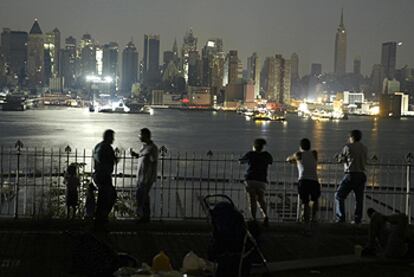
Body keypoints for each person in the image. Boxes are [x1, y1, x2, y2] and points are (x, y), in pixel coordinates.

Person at [335, 129, 368, 224]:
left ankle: (341, 218)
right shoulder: (364, 147)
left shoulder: (348, 147)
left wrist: (338, 157)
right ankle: (358, 219)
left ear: (351, 137)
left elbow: (341, 159)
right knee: (359, 199)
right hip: (361, 174)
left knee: (339, 196)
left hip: (351, 174)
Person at [239, 138, 273, 226]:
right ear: (262, 147)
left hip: (250, 179)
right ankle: (265, 215)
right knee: (261, 199)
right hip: (261, 180)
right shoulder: (266, 155)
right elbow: (270, 161)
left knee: (252, 199)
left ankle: (254, 218)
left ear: (254, 146)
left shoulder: (250, 154)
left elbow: (241, 161)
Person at [286, 138, 320, 223]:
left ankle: (305, 218)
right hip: (314, 180)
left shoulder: (298, 154)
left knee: (305, 201)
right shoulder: (314, 153)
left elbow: (288, 159)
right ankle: (314, 217)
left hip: (303, 180)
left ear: (300, 146)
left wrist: (296, 161)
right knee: (314, 200)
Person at [130, 128, 158, 223]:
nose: (139, 137)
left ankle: (144, 217)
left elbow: (152, 161)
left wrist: (147, 178)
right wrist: (137, 155)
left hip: (146, 177)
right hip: (141, 177)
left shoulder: (152, 148)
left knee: (143, 196)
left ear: (146, 136)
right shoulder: (144, 147)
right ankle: (143, 216)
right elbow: (143, 156)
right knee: (141, 197)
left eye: (140, 135)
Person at [93, 129, 118, 230]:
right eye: (112, 137)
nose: (113, 139)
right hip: (104, 175)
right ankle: (101, 218)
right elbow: (111, 160)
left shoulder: (98, 146)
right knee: (110, 196)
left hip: (98, 174)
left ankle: (99, 218)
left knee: (102, 198)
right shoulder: (107, 148)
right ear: (108, 137)